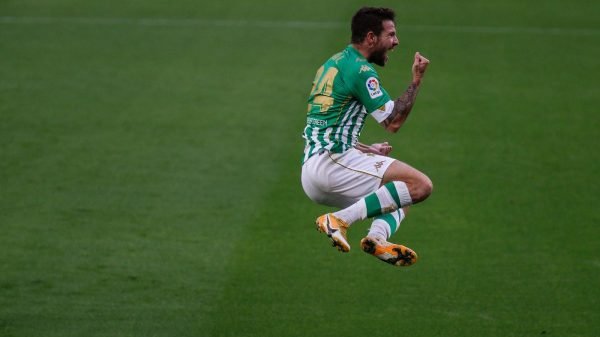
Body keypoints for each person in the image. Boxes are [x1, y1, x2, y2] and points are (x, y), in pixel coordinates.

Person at [301, 7, 432, 267]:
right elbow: (393, 122)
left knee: (400, 193)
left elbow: (326, 128)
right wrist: (416, 81)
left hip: (313, 168)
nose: (396, 42)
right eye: (391, 35)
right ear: (371, 38)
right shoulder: (361, 71)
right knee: (420, 186)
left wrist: (367, 150)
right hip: (332, 163)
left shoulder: (333, 63)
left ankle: (377, 239)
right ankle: (340, 219)